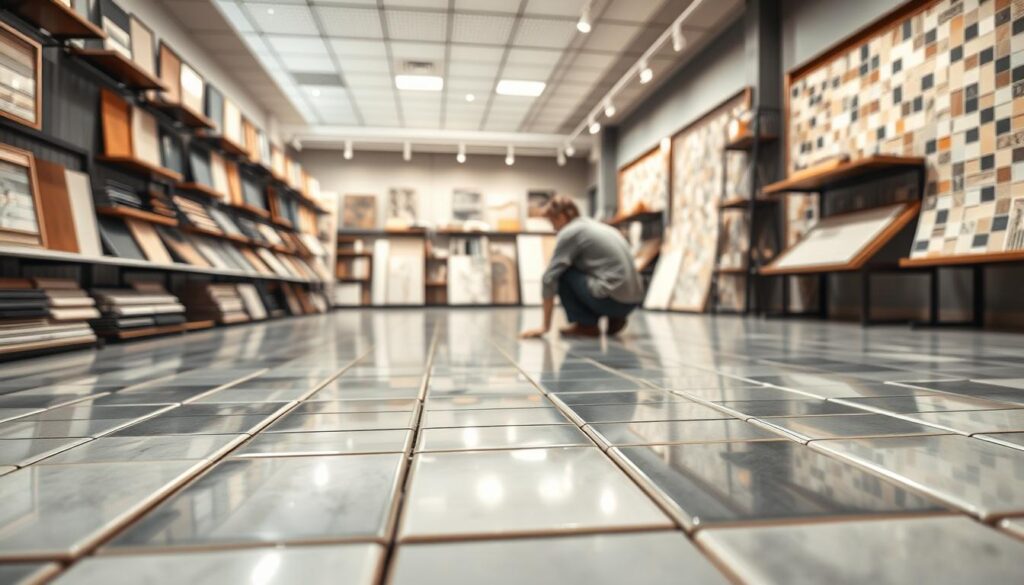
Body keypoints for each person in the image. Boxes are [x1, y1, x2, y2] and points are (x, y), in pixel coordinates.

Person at [520, 195, 643, 339]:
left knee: (564, 273)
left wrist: (544, 327)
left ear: (561, 216)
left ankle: (586, 325)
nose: (553, 227)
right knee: (590, 270)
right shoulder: (599, 227)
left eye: (552, 221)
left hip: (612, 300)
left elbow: (549, 278)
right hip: (633, 301)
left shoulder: (570, 232)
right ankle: (615, 318)